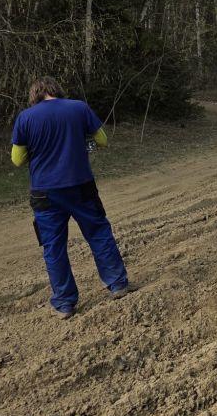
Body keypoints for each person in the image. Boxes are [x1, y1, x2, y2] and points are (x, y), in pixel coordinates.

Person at [11, 76, 131, 319]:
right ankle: (117, 284)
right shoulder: (79, 108)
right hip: (81, 186)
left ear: (35, 95)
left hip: (45, 192)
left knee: (53, 247)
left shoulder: (25, 117)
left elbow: (17, 160)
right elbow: (102, 140)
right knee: (98, 233)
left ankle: (65, 303)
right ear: (57, 90)